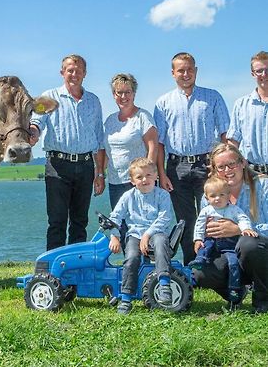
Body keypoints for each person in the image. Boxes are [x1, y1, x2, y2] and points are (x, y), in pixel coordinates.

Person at [154, 52, 230, 265]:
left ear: (196, 71)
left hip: (207, 165)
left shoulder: (213, 97)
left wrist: (224, 167)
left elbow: (226, 134)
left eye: (189, 69)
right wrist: (161, 174)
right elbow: (159, 142)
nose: (185, 74)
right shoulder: (163, 103)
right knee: (185, 220)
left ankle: (216, 263)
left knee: (212, 214)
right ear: (173, 73)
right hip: (176, 168)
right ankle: (192, 266)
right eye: (181, 70)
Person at [29, 54, 105, 251]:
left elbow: (99, 139)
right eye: (70, 70)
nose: (74, 74)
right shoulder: (48, 97)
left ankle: (75, 270)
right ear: (62, 72)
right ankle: (53, 272)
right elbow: (36, 122)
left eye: (78, 71)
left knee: (80, 222)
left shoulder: (93, 101)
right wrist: (33, 134)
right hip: (57, 166)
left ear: (85, 74)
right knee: (57, 221)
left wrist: (99, 174)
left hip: (86, 166)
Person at [193, 143, 268, 313]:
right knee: (200, 272)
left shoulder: (263, 186)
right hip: (228, 251)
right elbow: (204, 228)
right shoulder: (209, 194)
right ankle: (236, 290)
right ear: (214, 170)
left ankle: (263, 299)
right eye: (221, 167)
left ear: (242, 163)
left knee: (248, 243)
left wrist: (238, 229)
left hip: (261, 252)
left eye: (232, 164)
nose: (227, 170)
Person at [109, 158, 174, 314]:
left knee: (159, 242)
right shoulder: (128, 196)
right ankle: (126, 298)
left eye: (148, 175)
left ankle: (164, 284)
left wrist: (147, 234)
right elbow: (115, 216)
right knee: (131, 257)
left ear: (156, 176)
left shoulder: (163, 195)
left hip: (156, 232)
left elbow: (165, 218)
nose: (145, 180)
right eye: (139, 177)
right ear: (132, 180)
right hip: (135, 234)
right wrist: (114, 236)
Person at [190, 176, 258, 303]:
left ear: (228, 195)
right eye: (213, 195)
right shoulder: (206, 210)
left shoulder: (233, 209)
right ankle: (199, 260)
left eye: (221, 195)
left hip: (229, 243)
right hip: (212, 240)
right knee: (205, 247)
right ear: (207, 198)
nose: (217, 198)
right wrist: (198, 239)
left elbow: (243, 218)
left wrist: (244, 229)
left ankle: (235, 288)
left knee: (233, 263)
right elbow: (199, 225)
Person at [102, 73, 158, 210]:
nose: (123, 97)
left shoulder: (143, 117)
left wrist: (147, 177)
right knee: (120, 225)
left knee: (142, 224)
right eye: (119, 93)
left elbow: (153, 148)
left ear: (134, 93)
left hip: (139, 182)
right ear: (113, 94)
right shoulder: (109, 121)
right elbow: (106, 151)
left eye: (127, 92)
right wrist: (99, 174)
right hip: (115, 182)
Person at [227, 50, 268, 173]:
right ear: (252, 74)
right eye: (259, 71)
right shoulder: (241, 105)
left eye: (267, 70)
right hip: (251, 176)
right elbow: (233, 141)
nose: (264, 74)